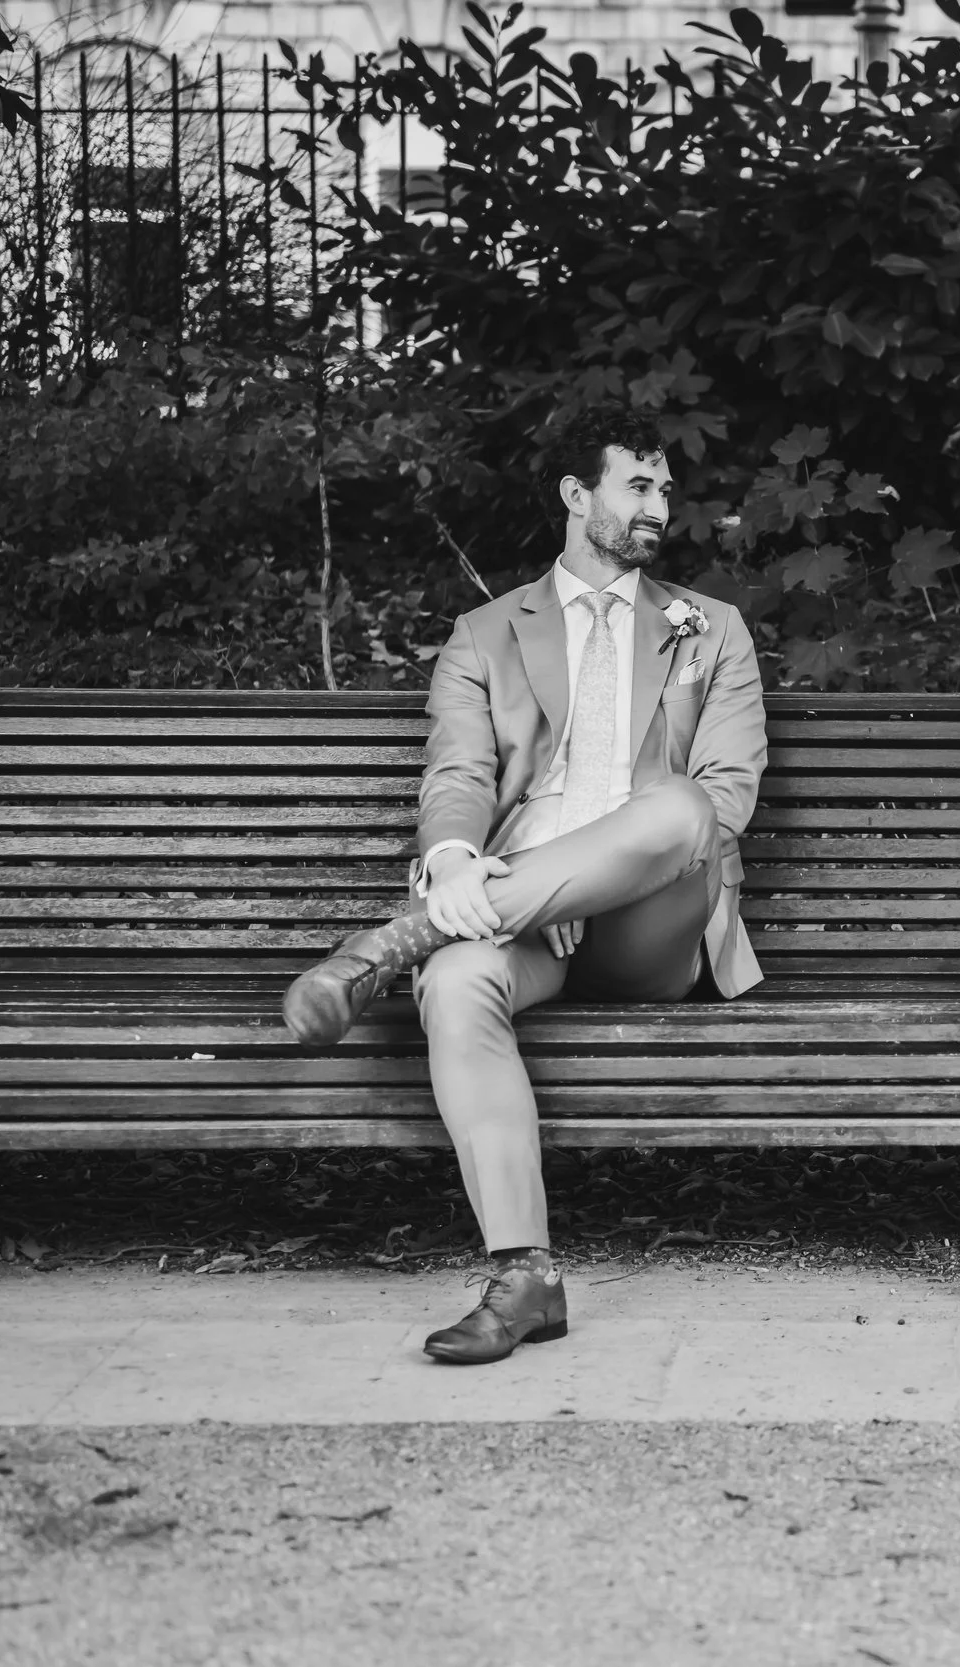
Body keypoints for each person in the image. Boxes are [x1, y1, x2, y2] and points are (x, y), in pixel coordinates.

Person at [282, 409, 768, 1365]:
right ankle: (525, 1275)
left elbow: (726, 797)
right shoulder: (485, 635)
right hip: (521, 914)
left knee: (679, 809)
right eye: (638, 485)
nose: (658, 506)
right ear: (576, 496)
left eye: (666, 490)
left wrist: (574, 886)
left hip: (649, 921)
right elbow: (458, 779)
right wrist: (462, 861)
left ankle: (385, 946)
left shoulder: (713, 631)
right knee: (460, 981)